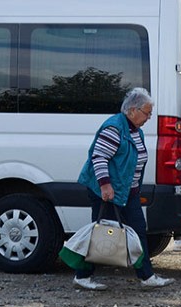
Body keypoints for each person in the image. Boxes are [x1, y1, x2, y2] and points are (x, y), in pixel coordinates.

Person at [74, 87, 175, 290]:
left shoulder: (135, 130)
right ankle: (82, 276)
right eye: (147, 113)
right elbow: (99, 157)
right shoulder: (114, 128)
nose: (149, 117)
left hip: (128, 192)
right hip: (109, 192)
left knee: (138, 231)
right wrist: (105, 185)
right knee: (102, 234)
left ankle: (147, 277)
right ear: (132, 110)